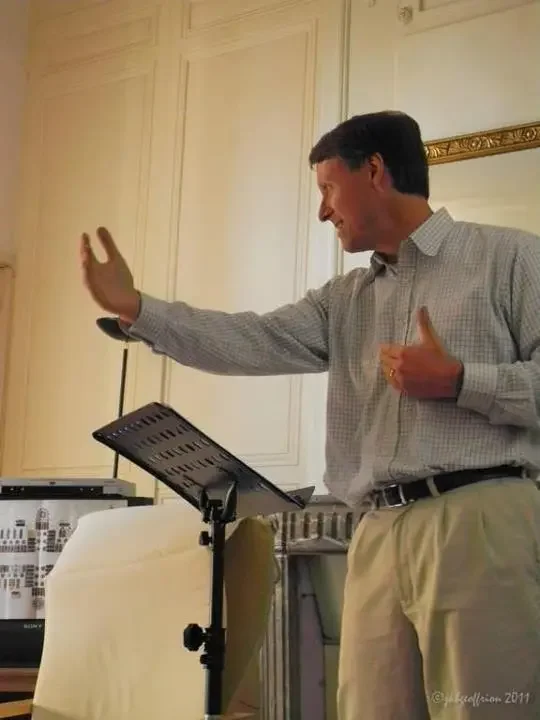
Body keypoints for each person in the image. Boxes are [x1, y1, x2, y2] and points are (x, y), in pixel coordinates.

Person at [80, 111, 540, 719]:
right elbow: (249, 339)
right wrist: (138, 308)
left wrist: (459, 381)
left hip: (480, 518)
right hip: (374, 531)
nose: (323, 211)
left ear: (374, 171)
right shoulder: (343, 300)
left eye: (327, 188)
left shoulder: (512, 259)